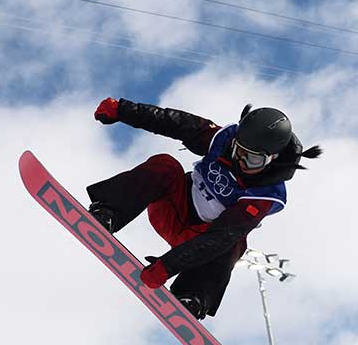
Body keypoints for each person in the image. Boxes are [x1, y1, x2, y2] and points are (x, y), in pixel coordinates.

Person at [87, 97, 322, 319]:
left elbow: (222, 235)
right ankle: (108, 212)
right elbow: (172, 122)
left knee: (235, 243)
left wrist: (167, 266)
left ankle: (193, 296)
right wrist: (121, 110)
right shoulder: (221, 139)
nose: (241, 161)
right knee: (165, 165)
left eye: (253, 160)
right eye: (238, 151)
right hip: (171, 209)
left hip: (200, 241)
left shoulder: (266, 195)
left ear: (272, 159)